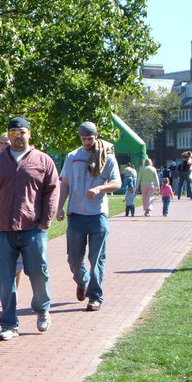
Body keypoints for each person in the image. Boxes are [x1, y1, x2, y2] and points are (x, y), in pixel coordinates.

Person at [0, 117, 59, 341]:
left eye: (22, 132)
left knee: (39, 273)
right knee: (5, 278)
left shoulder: (43, 160)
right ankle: (9, 324)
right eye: (13, 133)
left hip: (33, 229)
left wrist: (45, 222)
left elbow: (52, 191)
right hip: (2, 229)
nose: (18, 136)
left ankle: (42, 309)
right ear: (8, 135)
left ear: (29, 134)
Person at [57, 121, 121, 312]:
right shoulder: (72, 157)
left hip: (97, 215)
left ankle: (95, 296)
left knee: (97, 258)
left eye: (90, 138)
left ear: (96, 135)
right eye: (84, 139)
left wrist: (100, 188)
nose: (87, 142)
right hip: (76, 215)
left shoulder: (107, 157)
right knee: (74, 259)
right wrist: (60, 207)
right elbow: (65, 184)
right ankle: (82, 280)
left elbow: (117, 182)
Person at [0, 132, 24, 305]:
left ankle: (11, 295)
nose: (3, 145)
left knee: (16, 263)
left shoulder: (23, 163)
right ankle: (3, 285)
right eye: (1, 143)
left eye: (6, 142)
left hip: (16, 223)